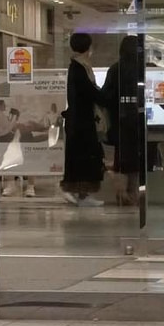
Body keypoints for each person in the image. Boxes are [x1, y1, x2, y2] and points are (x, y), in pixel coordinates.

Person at [60, 32, 106, 206]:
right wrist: (105, 97)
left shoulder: (78, 66)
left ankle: (82, 194)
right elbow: (89, 92)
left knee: (82, 157)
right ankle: (78, 192)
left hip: (80, 121)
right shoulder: (79, 67)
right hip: (81, 122)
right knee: (84, 157)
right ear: (88, 47)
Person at [102, 35, 142, 206]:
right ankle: (133, 192)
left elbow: (105, 95)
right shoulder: (141, 69)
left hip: (119, 120)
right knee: (136, 159)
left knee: (121, 158)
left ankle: (121, 192)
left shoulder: (115, 69)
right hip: (138, 120)